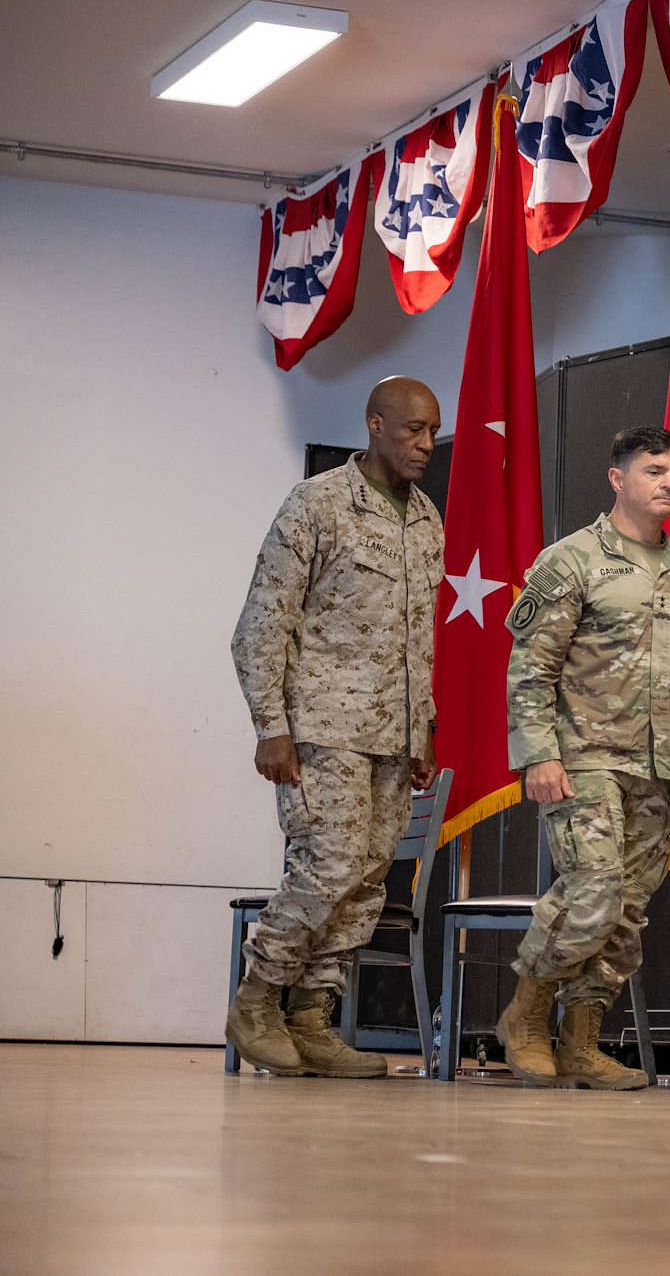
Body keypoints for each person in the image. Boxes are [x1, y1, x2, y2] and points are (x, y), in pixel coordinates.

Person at [226, 376, 445, 1077]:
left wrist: (422, 729)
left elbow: (420, 636)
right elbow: (262, 623)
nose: (426, 443)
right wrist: (271, 725)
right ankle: (257, 999)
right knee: (328, 867)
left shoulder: (427, 519)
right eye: (413, 429)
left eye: (433, 430)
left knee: (368, 880)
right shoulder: (317, 503)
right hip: (324, 729)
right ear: (374, 424)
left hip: (392, 737)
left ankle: (312, 1018)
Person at [496, 427, 670, 1091]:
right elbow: (531, 669)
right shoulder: (571, 560)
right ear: (617, 478)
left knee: (626, 911)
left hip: (658, 768)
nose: (669, 483)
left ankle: (582, 1041)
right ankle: (526, 1018)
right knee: (594, 890)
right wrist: (538, 754)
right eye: (654, 470)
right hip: (584, 760)